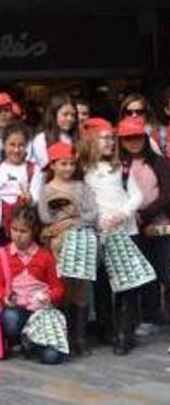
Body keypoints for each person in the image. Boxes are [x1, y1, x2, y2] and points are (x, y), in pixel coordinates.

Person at [80, 117, 143, 355]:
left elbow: (136, 196)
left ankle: (124, 334)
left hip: (125, 233)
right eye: (104, 138)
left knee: (126, 285)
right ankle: (108, 328)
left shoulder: (122, 167)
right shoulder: (84, 171)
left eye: (111, 138)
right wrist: (96, 222)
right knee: (103, 286)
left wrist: (122, 214)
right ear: (91, 141)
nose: (110, 142)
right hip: (101, 235)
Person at [37, 141, 98, 356]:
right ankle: (63, 335)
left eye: (71, 164)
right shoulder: (46, 189)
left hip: (80, 245)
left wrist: (72, 221)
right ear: (53, 165)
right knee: (61, 286)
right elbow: (44, 216)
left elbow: (92, 214)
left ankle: (79, 337)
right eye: (63, 164)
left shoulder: (82, 187)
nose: (68, 168)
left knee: (80, 288)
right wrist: (61, 221)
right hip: (56, 246)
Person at [0, 206, 66, 365]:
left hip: (40, 314)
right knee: (10, 318)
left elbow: (58, 288)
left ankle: (31, 344)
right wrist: (6, 297)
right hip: (17, 310)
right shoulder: (2, 255)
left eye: (23, 231)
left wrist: (49, 297)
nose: (17, 235)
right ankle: (21, 340)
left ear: (34, 232)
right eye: (14, 230)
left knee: (52, 358)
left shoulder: (45, 256)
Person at [116, 117, 170, 338]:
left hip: (160, 225)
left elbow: (167, 195)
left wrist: (145, 217)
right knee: (146, 276)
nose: (133, 142)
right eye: (128, 138)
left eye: (137, 136)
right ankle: (150, 317)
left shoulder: (159, 161)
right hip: (133, 227)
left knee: (167, 272)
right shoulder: (119, 164)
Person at [0, 122, 42, 240]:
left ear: (27, 146)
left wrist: (29, 199)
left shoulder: (33, 169)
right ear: (4, 145)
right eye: (12, 145)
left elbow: (36, 197)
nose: (16, 150)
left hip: (24, 226)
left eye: (21, 145)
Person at [29, 94, 78, 169]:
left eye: (73, 115)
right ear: (54, 115)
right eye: (65, 114)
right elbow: (45, 167)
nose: (70, 119)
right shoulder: (41, 139)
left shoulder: (75, 138)